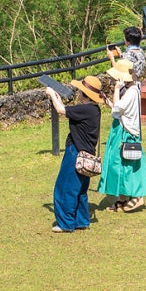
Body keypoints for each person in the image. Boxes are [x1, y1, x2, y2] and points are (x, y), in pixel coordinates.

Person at [45, 75, 104, 232]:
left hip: (75, 153)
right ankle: (81, 220)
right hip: (86, 155)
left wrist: (51, 94)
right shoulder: (93, 110)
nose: (78, 92)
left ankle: (65, 223)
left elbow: (60, 110)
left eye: (80, 90)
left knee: (65, 188)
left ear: (85, 94)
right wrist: (57, 97)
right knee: (80, 190)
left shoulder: (85, 109)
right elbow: (68, 111)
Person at [97, 59, 146, 213]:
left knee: (124, 165)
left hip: (125, 132)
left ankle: (137, 196)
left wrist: (116, 90)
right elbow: (120, 111)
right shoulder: (131, 89)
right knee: (119, 165)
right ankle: (122, 197)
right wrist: (109, 101)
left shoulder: (131, 91)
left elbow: (116, 110)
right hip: (121, 129)